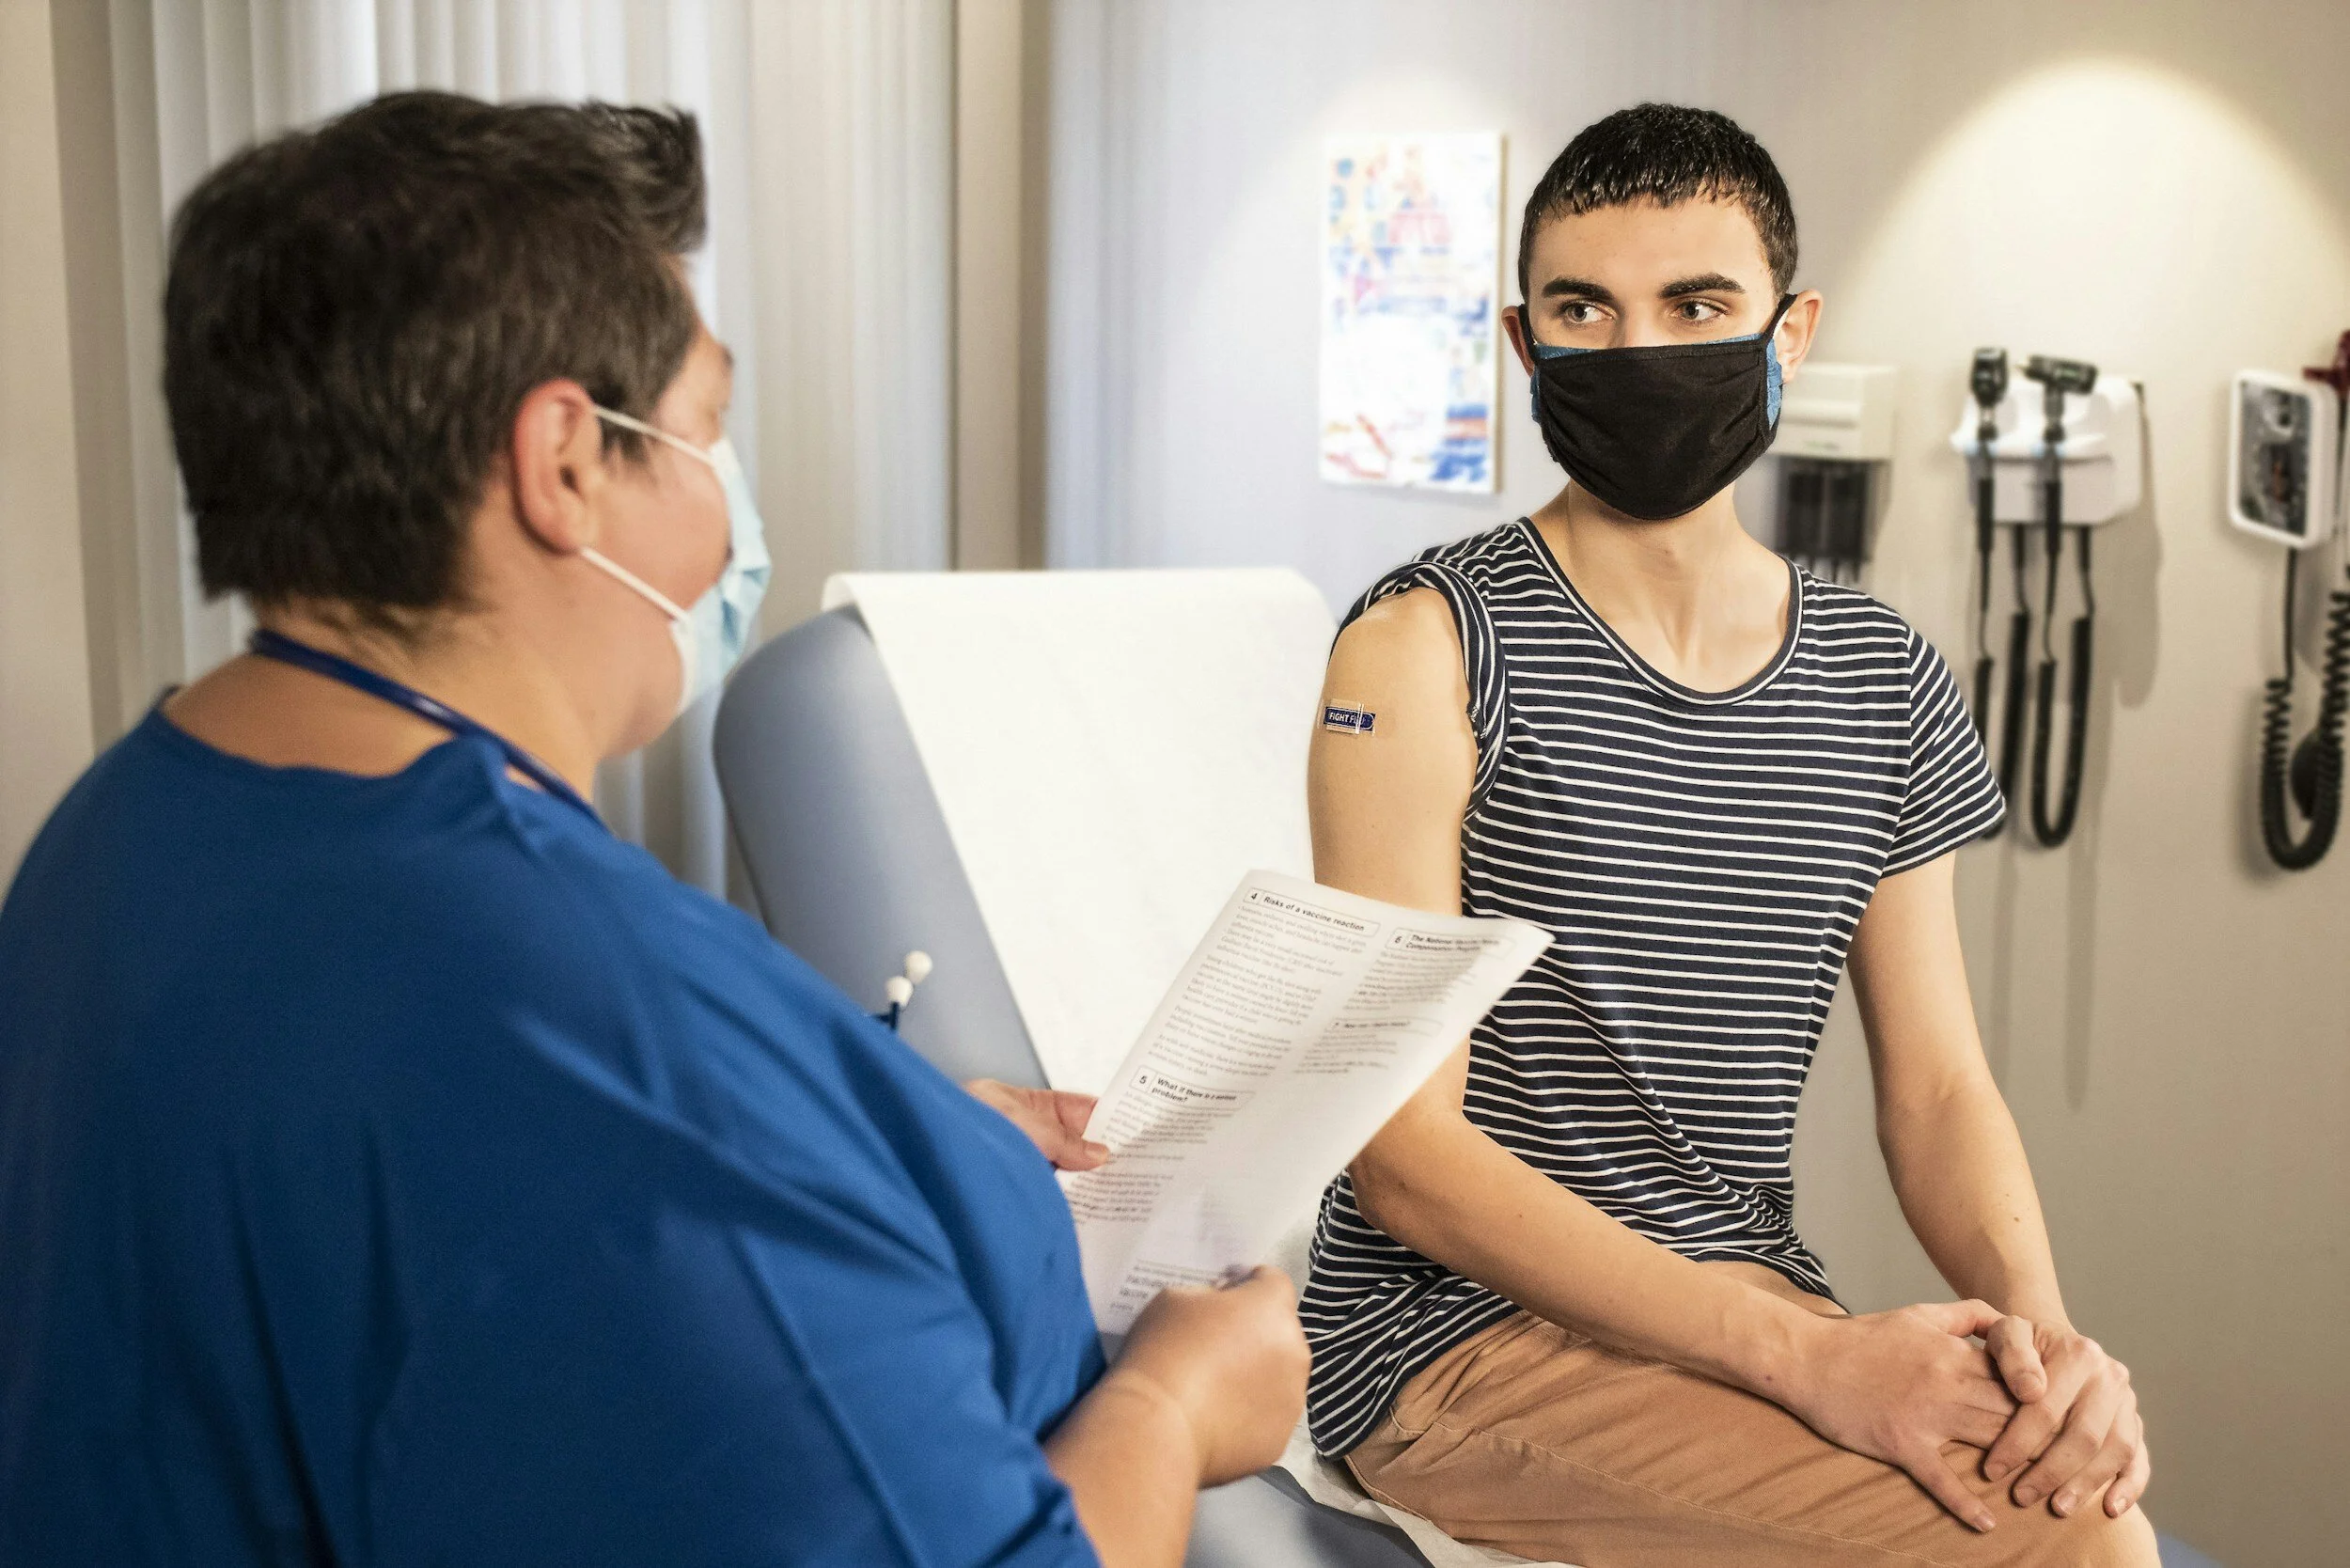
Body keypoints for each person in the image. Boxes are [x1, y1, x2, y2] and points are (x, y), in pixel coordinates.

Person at [0, 91, 1303, 1568]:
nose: (723, 503)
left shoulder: (118, 836)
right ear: (565, 464)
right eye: (707, 428)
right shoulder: (615, 1043)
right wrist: (1177, 1409)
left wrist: (876, 1132)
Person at [1298, 104, 2157, 1567]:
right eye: (1586, 309)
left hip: (1745, 1309)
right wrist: (1803, 1357)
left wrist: (2050, 1346)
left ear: (1791, 330)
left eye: (1697, 304)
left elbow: (1942, 1091)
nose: (1641, 353)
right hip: (1452, 1341)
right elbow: (1403, 1160)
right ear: (1526, 346)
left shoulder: (1885, 677)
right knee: (2061, 1550)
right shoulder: (1422, 648)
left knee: (2076, 1492)